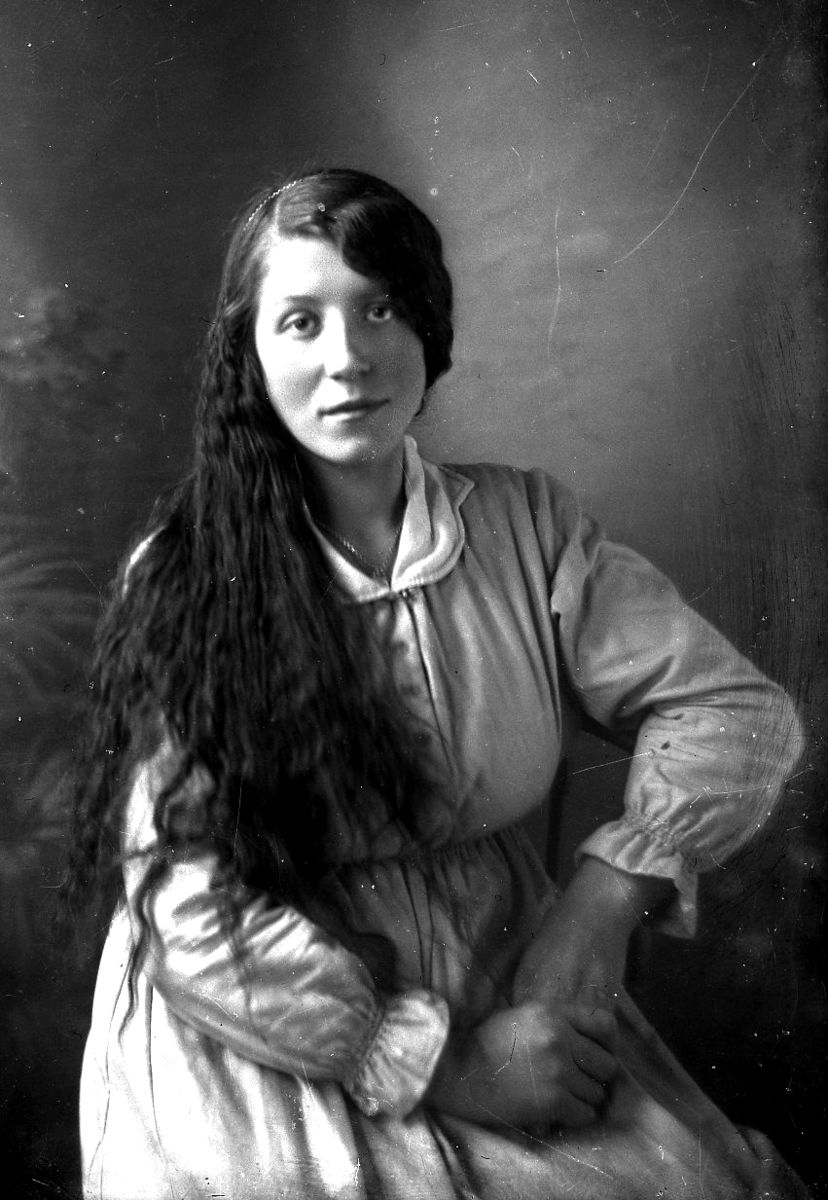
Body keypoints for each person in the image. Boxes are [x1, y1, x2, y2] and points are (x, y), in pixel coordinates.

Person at [67, 167, 809, 1199]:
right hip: (267, 1020)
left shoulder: (523, 530)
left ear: (429, 326)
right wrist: (444, 1066)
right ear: (249, 353)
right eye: (300, 322)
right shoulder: (189, 576)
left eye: (380, 308)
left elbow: (734, 712)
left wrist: (601, 901)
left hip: (501, 964)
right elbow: (189, 910)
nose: (349, 357)